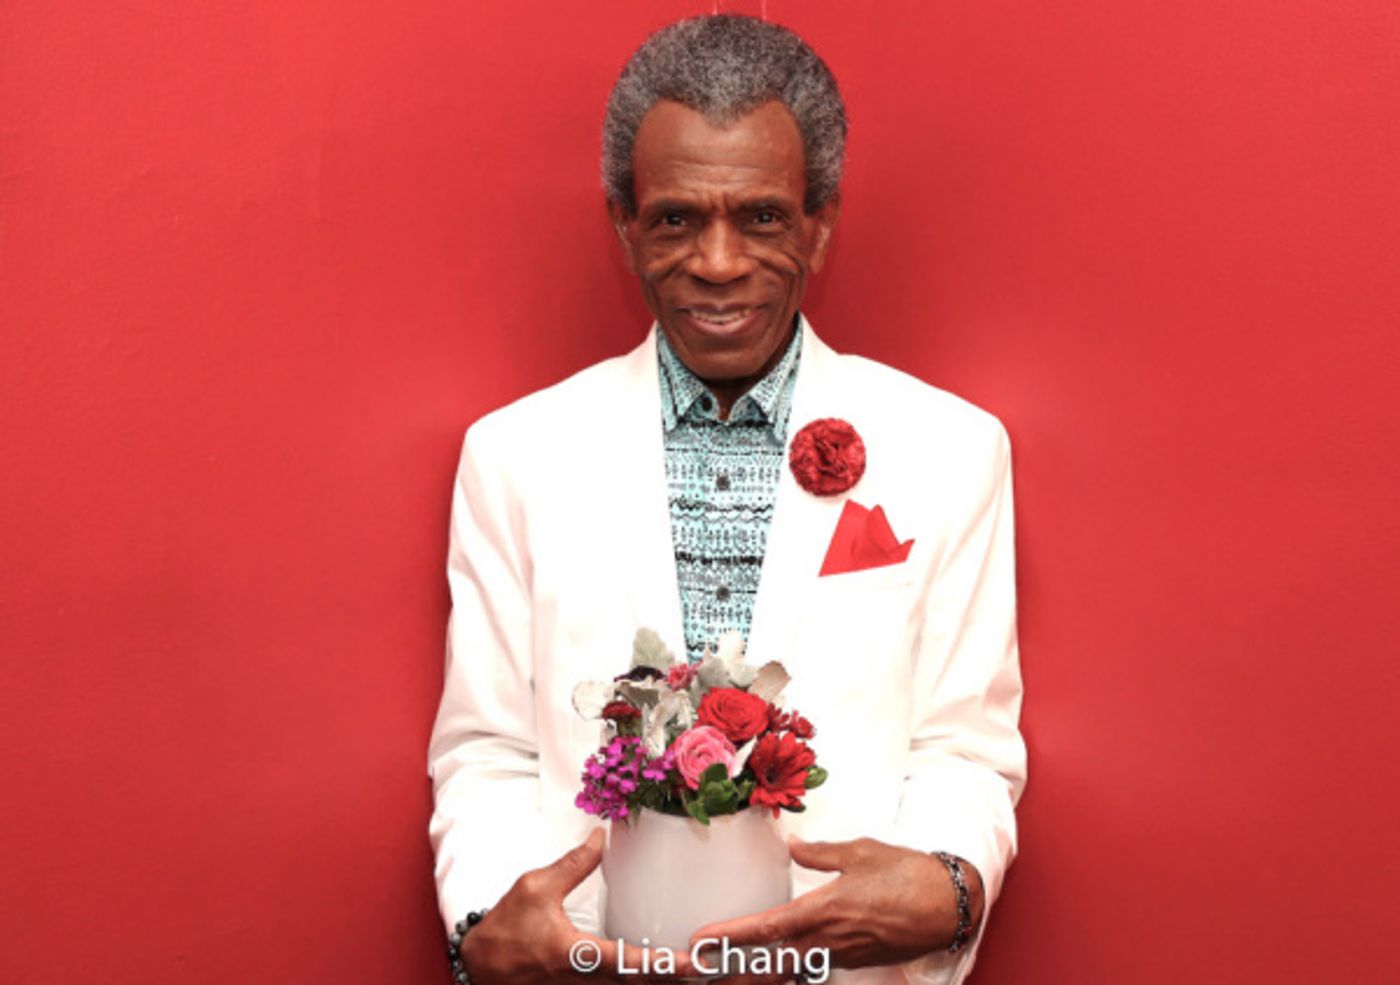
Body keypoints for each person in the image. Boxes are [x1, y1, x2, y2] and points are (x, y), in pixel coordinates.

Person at [428, 14, 1025, 985]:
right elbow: (488, 747)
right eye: (675, 218)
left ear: (818, 224)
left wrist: (951, 882)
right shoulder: (513, 456)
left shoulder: (952, 450)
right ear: (625, 226)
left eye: (761, 217)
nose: (716, 261)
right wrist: (486, 922)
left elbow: (963, 743)